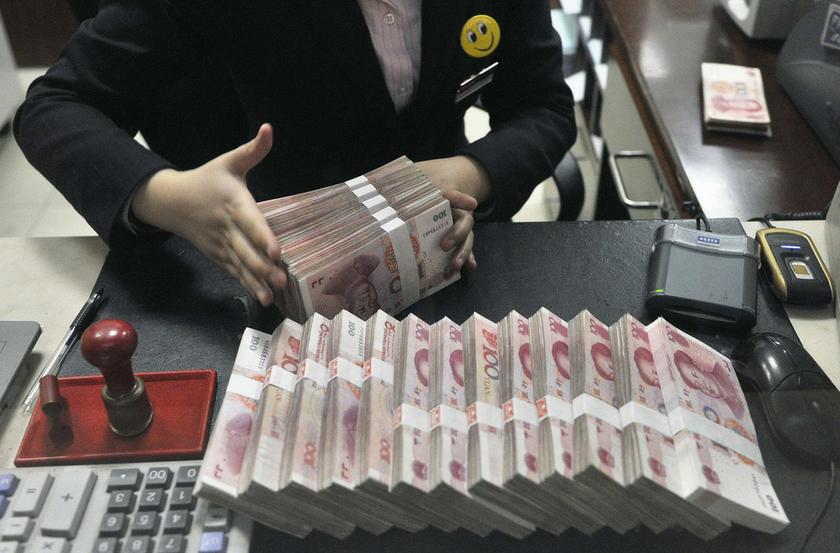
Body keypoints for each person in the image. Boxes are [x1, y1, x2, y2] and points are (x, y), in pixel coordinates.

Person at [14, 1, 576, 306]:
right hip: (267, 269)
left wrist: (473, 172)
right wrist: (166, 195)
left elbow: (544, 107)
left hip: (441, 260)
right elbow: (55, 105)